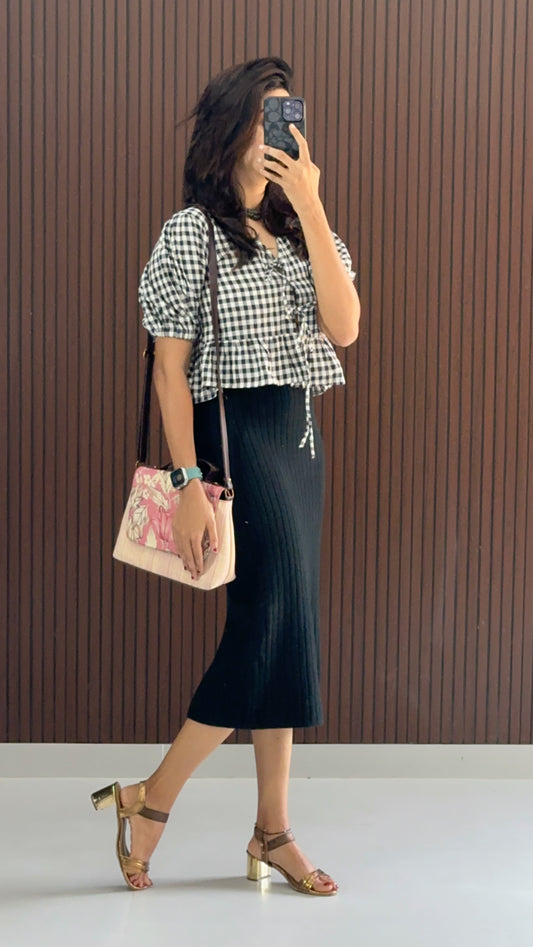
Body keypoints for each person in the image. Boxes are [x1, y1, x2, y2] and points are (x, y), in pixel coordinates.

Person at [92, 57, 360, 896]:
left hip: (297, 439)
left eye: (291, 115)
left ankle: (268, 827)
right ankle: (153, 798)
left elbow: (345, 330)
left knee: (286, 626)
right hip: (232, 438)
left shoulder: (303, 225)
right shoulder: (189, 233)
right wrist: (182, 483)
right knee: (266, 625)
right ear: (231, 128)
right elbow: (169, 372)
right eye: (266, 114)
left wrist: (312, 204)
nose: (282, 129)